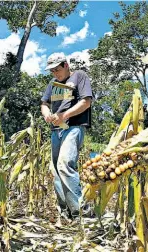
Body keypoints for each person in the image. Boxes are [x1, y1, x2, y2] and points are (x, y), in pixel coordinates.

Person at [41, 53, 92, 220]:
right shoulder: (52, 84)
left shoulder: (79, 76)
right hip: (56, 130)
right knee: (55, 170)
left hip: (74, 127)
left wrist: (65, 115)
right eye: (52, 71)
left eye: (57, 69)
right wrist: (47, 114)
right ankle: (66, 212)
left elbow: (86, 102)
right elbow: (44, 104)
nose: (55, 73)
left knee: (64, 164)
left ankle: (81, 213)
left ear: (66, 65)